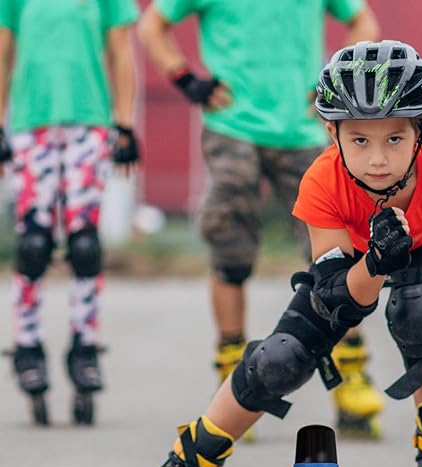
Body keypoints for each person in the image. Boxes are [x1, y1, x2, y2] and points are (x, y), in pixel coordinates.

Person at [113, 40, 422, 467]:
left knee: (420, 310)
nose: (378, 159)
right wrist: (377, 262)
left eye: (395, 138)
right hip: (363, 254)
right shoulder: (322, 184)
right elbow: (342, 302)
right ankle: (187, 466)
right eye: (359, 140)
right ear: (332, 134)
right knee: (279, 358)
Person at [138, 0, 385, 439]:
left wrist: (339, 82)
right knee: (230, 254)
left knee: (335, 255)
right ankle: (233, 376)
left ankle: (351, 375)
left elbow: (362, 19)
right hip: (233, 128)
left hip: (302, 130)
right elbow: (153, 25)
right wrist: (186, 79)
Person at [0, 0, 141, 425]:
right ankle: (28, 344)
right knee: (33, 243)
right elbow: (3, 54)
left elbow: (121, 53)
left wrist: (125, 124)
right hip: (31, 124)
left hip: (89, 124)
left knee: (84, 246)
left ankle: (84, 346)